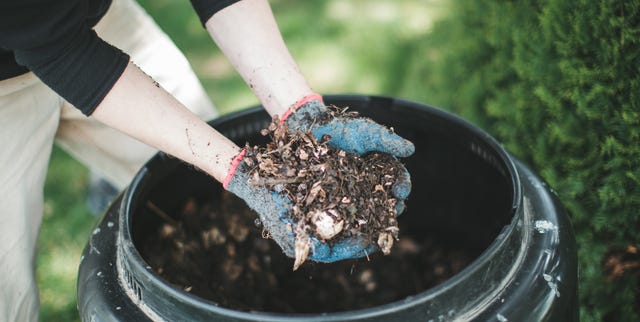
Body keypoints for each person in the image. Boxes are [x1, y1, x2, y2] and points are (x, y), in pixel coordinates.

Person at [0, 0, 414, 320]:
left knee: (202, 208)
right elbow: (60, 51)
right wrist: (240, 171)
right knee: (8, 293)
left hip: (86, 21)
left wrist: (300, 110)